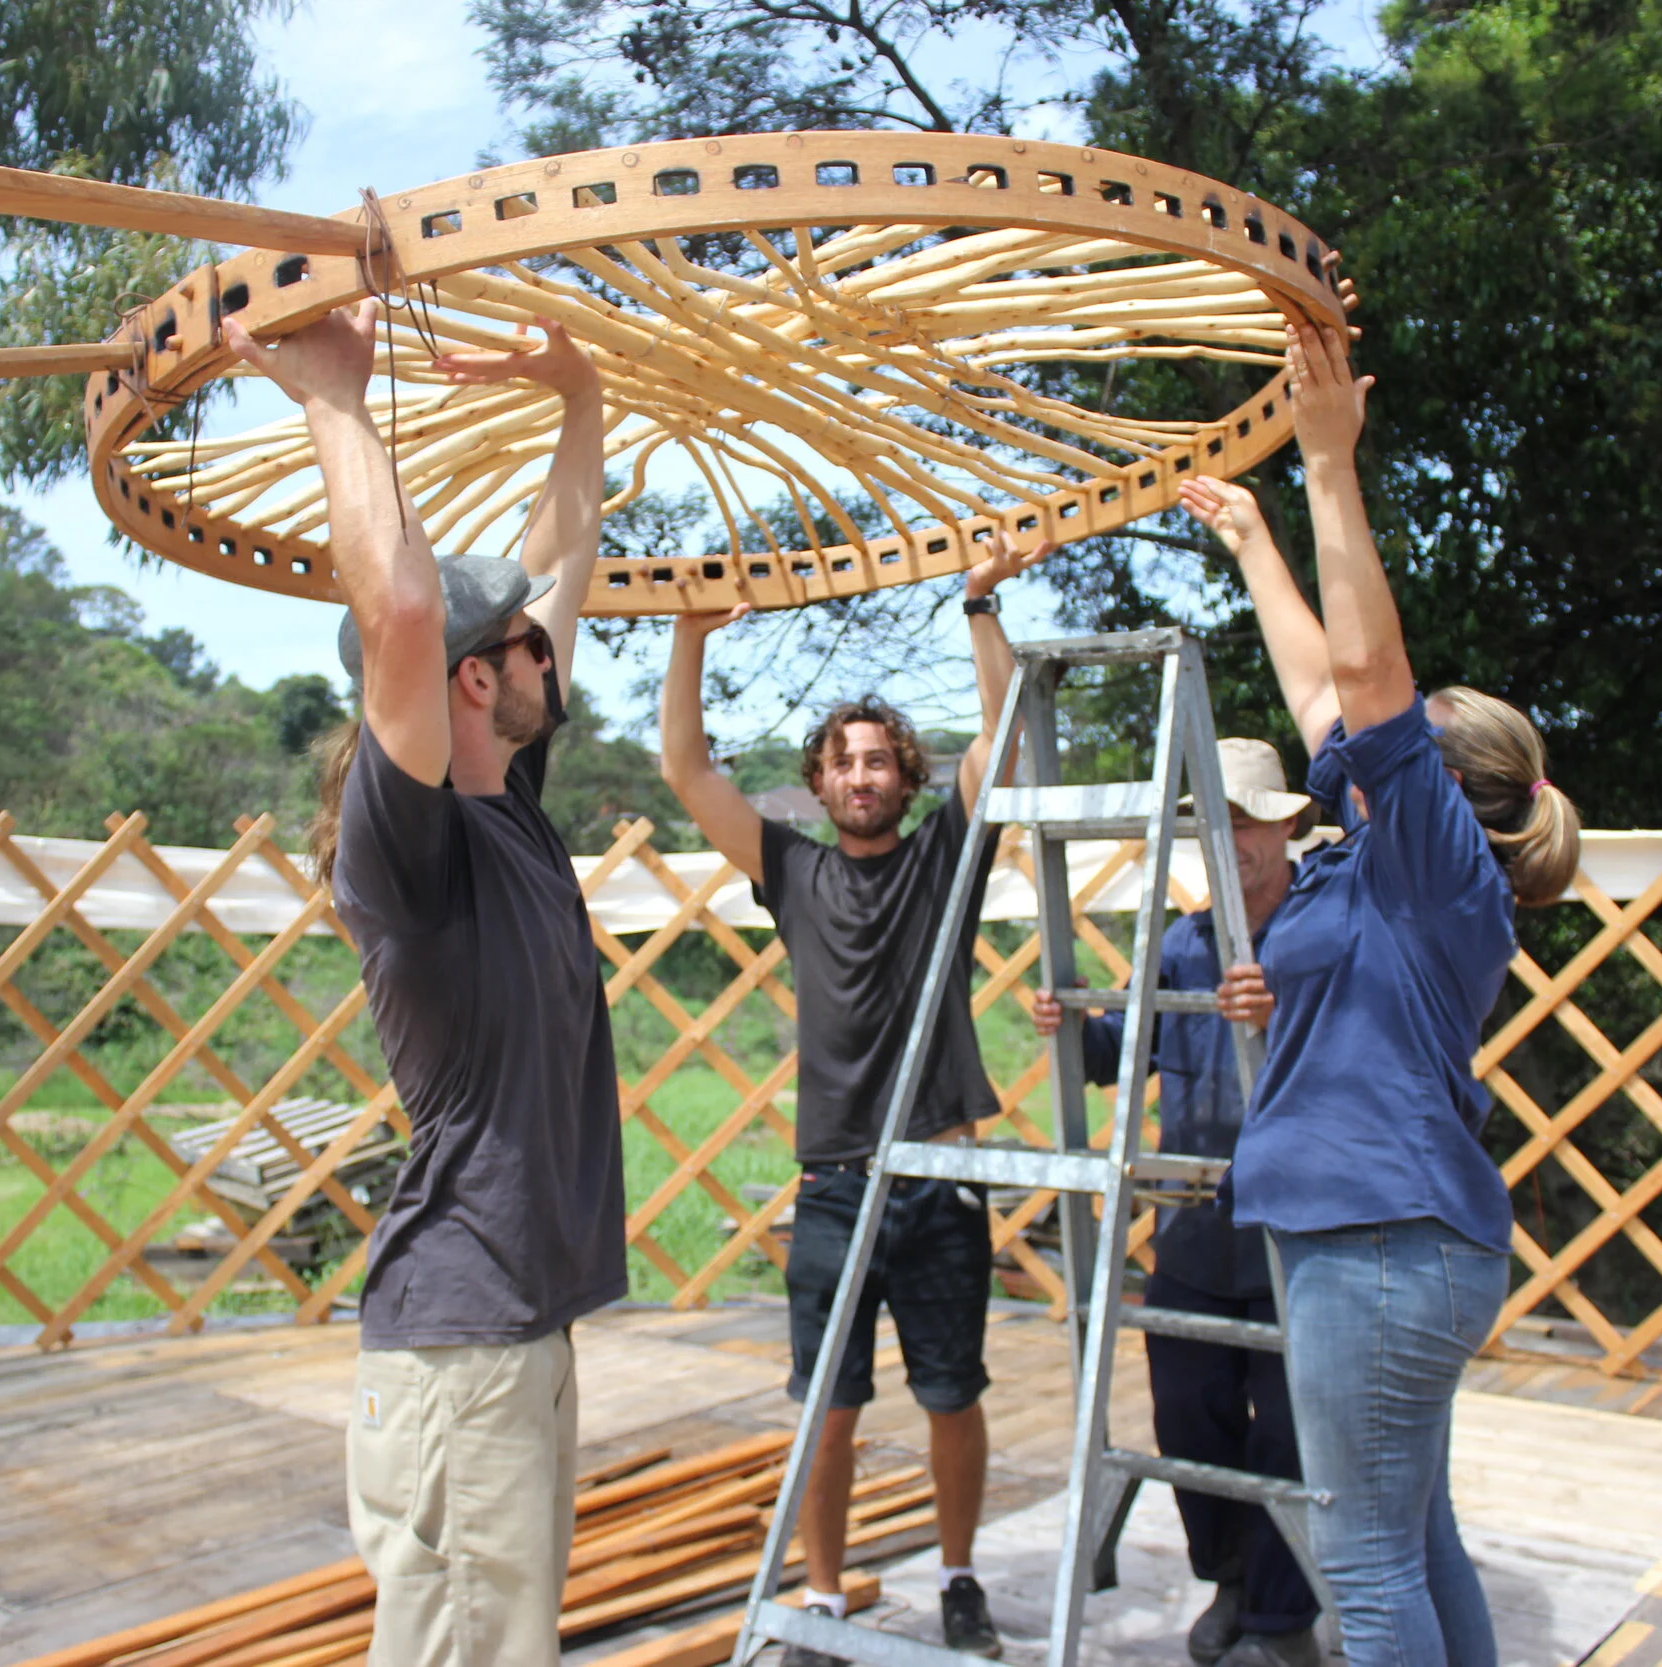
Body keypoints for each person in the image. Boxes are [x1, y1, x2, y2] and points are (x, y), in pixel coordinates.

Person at [1178, 317, 1582, 1666]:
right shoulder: (1367, 858)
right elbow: (1320, 681)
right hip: (1385, 1235)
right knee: (1420, 1537)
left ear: (1431, 778)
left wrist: (1330, 462)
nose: (1342, 741)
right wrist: (1249, 534)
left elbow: (1359, 675)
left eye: (1378, 740)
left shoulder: (1435, 867)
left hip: (1379, 1237)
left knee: (1361, 1557)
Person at [224, 298, 620, 1667]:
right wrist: (336, 392)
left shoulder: (507, 799)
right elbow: (395, 605)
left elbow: (561, 553)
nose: (549, 648)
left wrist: (579, 399)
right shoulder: (411, 851)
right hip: (462, 1341)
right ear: (466, 679)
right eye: (523, 644)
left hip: (511, 1329)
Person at [657, 538, 1048, 1664]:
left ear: (903, 777)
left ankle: (960, 1577)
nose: (864, 775)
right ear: (819, 784)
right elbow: (688, 773)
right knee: (826, 1404)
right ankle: (823, 1594)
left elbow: (1003, 738)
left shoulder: (945, 858)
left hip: (936, 1171)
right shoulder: (793, 871)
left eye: (880, 759)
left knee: (950, 1393)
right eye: (845, 761)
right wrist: (687, 643)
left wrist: (979, 602)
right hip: (832, 1181)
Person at [1028, 738, 1322, 1667]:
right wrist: (1072, 1020)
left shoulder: (1318, 932)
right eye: (1215, 823)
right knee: (1187, 1412)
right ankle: (1231, 1577)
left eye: (1248, 821)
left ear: (1283, 828)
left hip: (1298, 1227)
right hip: (1195, 1225)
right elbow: (1125, 1054)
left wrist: (1280, 1011)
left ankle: (1282, 1619)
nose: (1232, 840)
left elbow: (1357, 1044)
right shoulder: (1183, 942)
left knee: (1285, 1425)